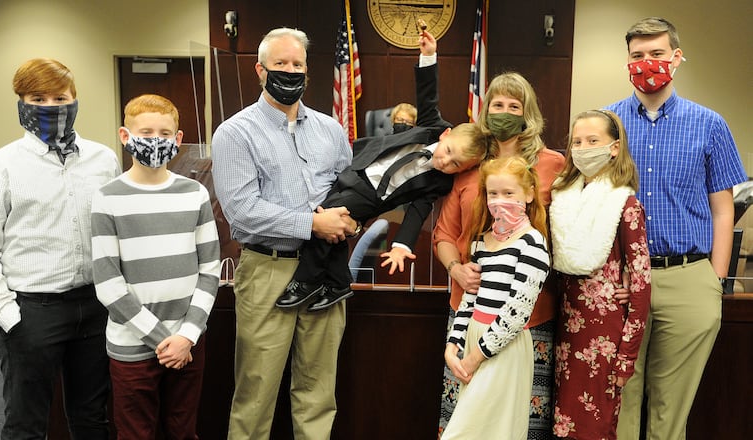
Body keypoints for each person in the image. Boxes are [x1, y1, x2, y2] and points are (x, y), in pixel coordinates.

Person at [210, 27, 357, 439]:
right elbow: (242, 213)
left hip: (325, 269)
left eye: (297, 65)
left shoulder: (330, 130)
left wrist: (352, 220)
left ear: (307, 72)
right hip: (268, 270)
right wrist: (313, 223)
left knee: (318, 390)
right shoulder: (235, 133)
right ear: (260, 70)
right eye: (280, 64)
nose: (290, 72)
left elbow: (350, 191)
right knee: (256, 391)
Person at [0, 58, 120, 439]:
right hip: (32, 310)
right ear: (21, 102)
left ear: (75, 99)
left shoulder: (104, 160)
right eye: (38, 98)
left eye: (60, 98)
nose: (50, 106)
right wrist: (8, 314)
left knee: (92, 420)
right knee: (26, 426)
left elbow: (114, 230)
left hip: (95, 307)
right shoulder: (1, 166)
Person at [606, 17, 747, 440]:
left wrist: (715, 281)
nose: (646, 62)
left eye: (657, 53)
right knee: (617, 400)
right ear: (627, 61)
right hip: (621, 280)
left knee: (671, 409)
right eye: (637, 55)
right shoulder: (606, 124)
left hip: (688, 277)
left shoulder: (710, 124)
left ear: (677, 57)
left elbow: (723, 210)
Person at [433, 69, 565, 437]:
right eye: (497, 104)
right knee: (465, 418)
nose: (505, 112)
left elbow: (567, 230)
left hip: (528, 316)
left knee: (519, 421)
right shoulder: (469, 163)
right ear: (486, 110)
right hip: (470, 307)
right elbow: (445, 233)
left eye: (514, 106)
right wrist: (456, 269)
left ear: (527, 114)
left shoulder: (552, 164)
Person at [91, 94, 221, 439]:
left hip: (188, 341)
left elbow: (210, 270)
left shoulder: (194, 193)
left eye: (164, 134)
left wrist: (186, 336)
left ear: (178, 140)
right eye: (145, 132)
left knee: (183, 431)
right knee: (136, 434)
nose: (155, 140)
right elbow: (107, 283)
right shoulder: (107, 197)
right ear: (125, 136)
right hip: (133, 344)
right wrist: (164, 341)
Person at [277, 122, 489, 311]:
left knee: (326, 216)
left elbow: (418, 211)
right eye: (448, 151)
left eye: (455, 164)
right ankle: (337, 283)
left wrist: (402, 245)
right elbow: (427, 97)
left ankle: (307, 281)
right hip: (357, 171)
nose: (445, 161)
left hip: (373, 196)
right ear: (445, 134)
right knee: (332, 222)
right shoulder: (429, 130)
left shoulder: (439, 182)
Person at [549, 110, 651, 439]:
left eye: (592, 141)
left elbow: (641, 285)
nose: (583, 148)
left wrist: (627, 356)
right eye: (577, 142)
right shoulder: (562, 198)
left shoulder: (626, 204)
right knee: (563, 423)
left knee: (595, 425)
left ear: (614, 148)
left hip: (604, 336)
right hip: (565, 328)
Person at [441, 156, 551, 440]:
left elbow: (517, 312)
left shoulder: (532, 244)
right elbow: (469, 300)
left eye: (509, 193)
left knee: (478, 432)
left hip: (503, 346)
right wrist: (453, 346)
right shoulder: (480, 241)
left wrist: (475, 357)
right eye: (493, 193)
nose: (500, 201)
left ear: (528, 194)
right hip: (473, 338)